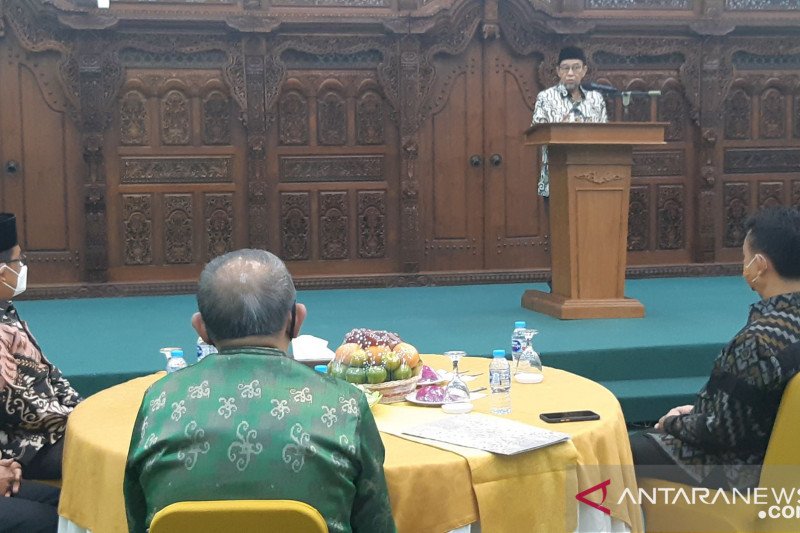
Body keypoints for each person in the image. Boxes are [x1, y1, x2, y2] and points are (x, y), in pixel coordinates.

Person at [124, 249, 396, 533]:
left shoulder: (160, 400)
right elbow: (376, 524)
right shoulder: (345, 405)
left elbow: (137, 520)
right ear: (296, 320)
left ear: (201, 328)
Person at [630, 206, 800, 490]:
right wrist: (694, 413)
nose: (743, 265)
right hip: (782, 459)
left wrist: (673, 423)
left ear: (760, 265)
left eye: (744, 257)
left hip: (741, 469)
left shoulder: (759, 341)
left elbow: (722, 431)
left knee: (614, 455)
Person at [0, 212, 82, 531]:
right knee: (50, 521)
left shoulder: (7, 311)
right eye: (17, 262)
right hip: (26, 441)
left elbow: (49, 374)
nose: (21, 269)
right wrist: (76, 423)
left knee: (65, 509)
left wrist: (80, 409)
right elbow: (22, 409)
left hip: (41, 431)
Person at [531, 46, 608, 199]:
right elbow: (536, 134)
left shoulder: (596, 99)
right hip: (556, 176)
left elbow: (604, 135)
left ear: (584, 70)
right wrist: (560, 128)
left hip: (592, 177)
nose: (571, 73)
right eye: (566, 68)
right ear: (558, 71)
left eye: (576, 68)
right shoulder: (546, 98)